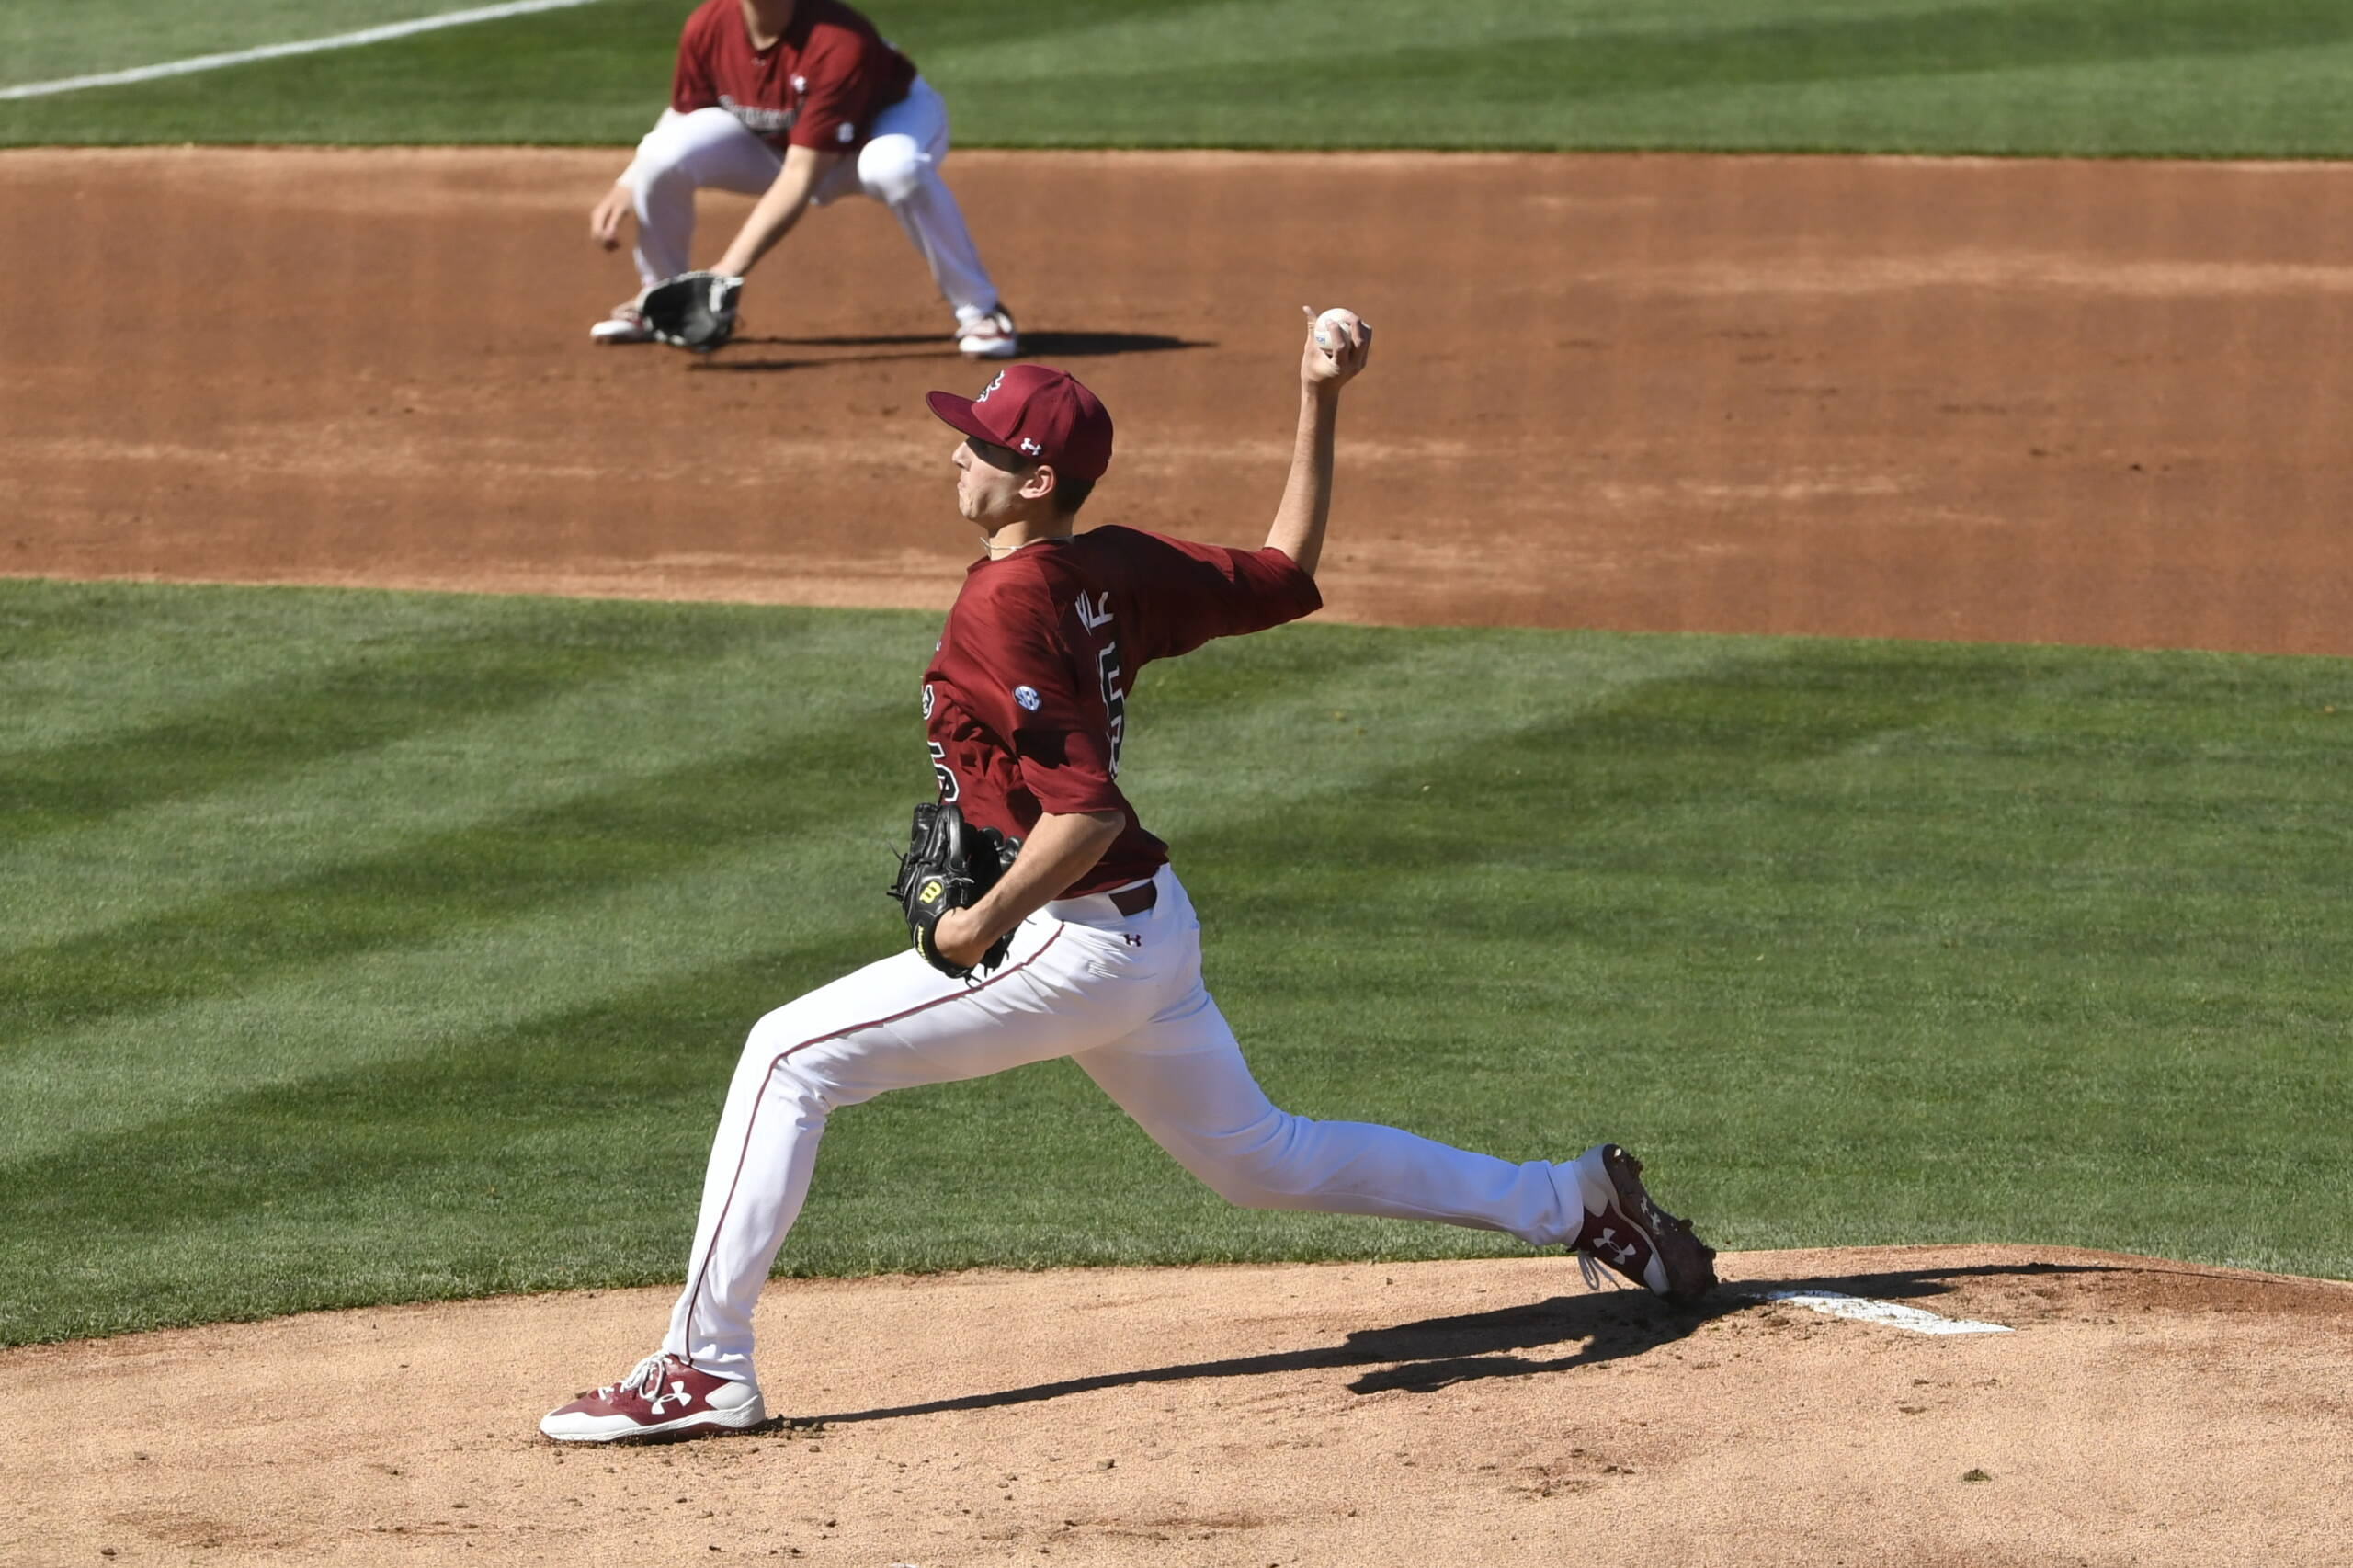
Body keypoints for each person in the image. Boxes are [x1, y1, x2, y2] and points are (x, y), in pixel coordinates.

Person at [539, 307, 1718, 1444]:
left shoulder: (1005, 601)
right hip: (1147, 933)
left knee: (786, 1056)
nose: (958, 454)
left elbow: (1088, 809)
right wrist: (1316, 395)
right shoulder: (1108, 567)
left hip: (1074, 937)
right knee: (1261, 1158)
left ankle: (702, 1364)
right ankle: (1573, 1199)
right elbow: (1283, 568)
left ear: (1036, 479)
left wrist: (978, 925)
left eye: (982, 445)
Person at [587, 0, 1017, 358]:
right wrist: (631, 178)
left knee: (895, 168)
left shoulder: (839, 41)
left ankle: (980, 310)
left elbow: (802, 174)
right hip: (787, 144)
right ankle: (660, 301)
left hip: (879, 130)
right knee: (659, 154)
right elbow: (686, 115)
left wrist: (726, 272)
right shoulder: (709, 23)